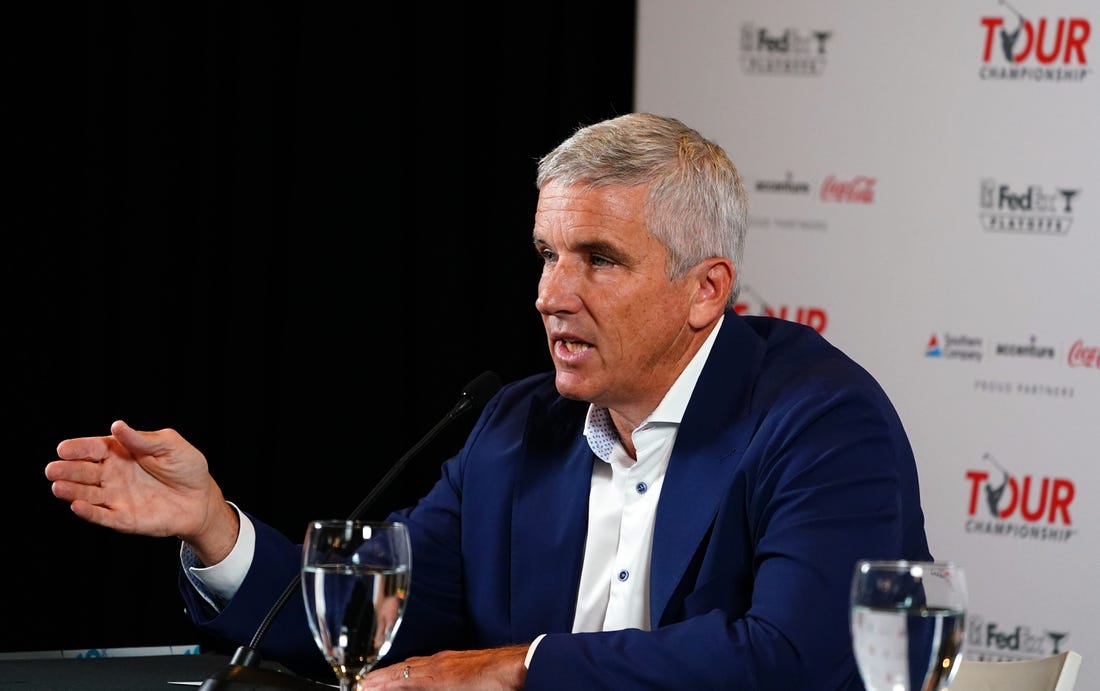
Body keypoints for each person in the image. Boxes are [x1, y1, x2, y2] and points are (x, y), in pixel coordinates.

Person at [46, 112, 932, 690]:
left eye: (599, 258)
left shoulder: (821, 420)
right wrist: (214, 528)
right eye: (546, 255)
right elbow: (386, 618)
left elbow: (803, 657)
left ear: (706, 290)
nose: (552, 294)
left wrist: (517, 669)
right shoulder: (518, 425)